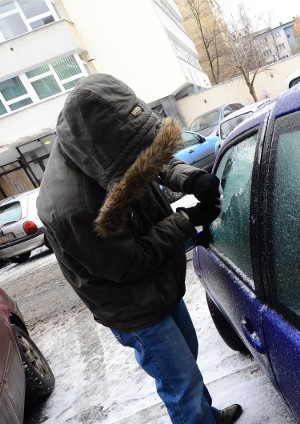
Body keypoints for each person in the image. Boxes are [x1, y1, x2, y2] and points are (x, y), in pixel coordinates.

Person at [37, 74, 242, 424]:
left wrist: (188, 177)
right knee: (181, 385)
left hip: (157, 282)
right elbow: (128, 262)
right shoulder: (73, 208)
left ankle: (205, 417)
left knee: (187, 362)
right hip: (133, 306)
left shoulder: (103, 148)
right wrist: (185, 221)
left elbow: (146, 158)